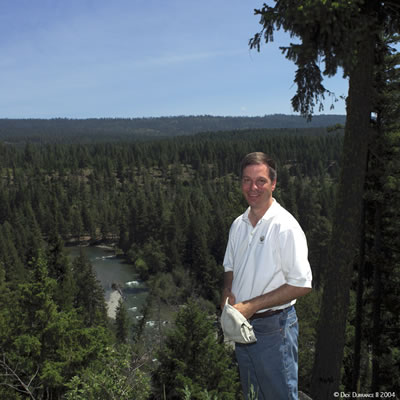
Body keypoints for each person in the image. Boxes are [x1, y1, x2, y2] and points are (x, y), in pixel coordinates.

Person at [221, 152, 312, 400]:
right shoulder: (238, 224)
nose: (253, 187)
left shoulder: (284, 226)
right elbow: (229, 266)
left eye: (260, 180)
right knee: (253, 395)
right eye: (247, 180)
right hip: (243, 329)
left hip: (275, 328)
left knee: (279, 395)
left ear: (273, 183)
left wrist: (250, 306)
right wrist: (228, 293)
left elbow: (301, 284)